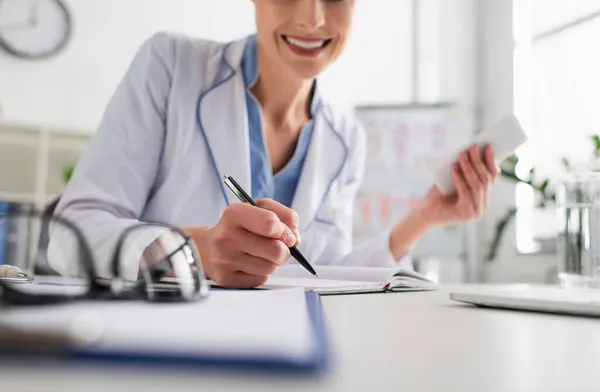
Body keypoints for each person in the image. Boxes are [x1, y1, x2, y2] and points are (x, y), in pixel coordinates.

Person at [48, 0, 498, 288]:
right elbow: (72, 236)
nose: (311, 18)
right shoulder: (170, 65)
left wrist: (426, 216)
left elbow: (319, 269)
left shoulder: (345, 138)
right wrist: (191, 251)